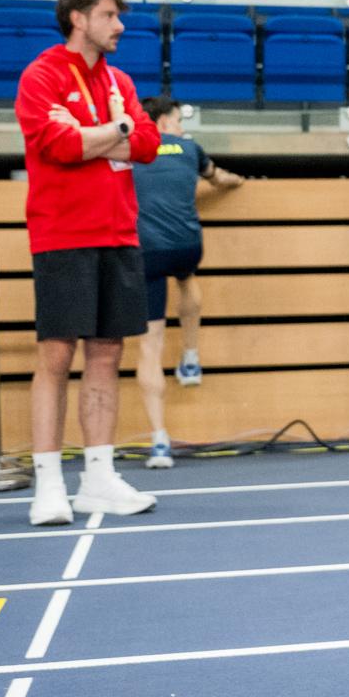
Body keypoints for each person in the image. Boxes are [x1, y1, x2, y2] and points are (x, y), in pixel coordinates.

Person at [13, 0, 161, 525]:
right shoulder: (43, 75)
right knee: (56, 357)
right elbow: (59, 145)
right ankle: (48, 483)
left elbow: (147, 144)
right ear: (79, 19)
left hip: (118, 231)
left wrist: (103, 133)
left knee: (107, 354)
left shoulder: (120, 79)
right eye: (108, 14)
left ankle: (98, 477)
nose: (119, 25)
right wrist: (116, 129)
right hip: (63, 235)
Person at [130, 95, 244, 468]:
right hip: (185, 245)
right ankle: (191, 357)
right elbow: (219, 178)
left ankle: (160, 441)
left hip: (144, 251)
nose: (181, 127)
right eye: (177, 120)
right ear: (163, 122)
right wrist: (236, 182)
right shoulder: (191, 149)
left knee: (150, 346)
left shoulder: (129, 150)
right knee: (186, 276)